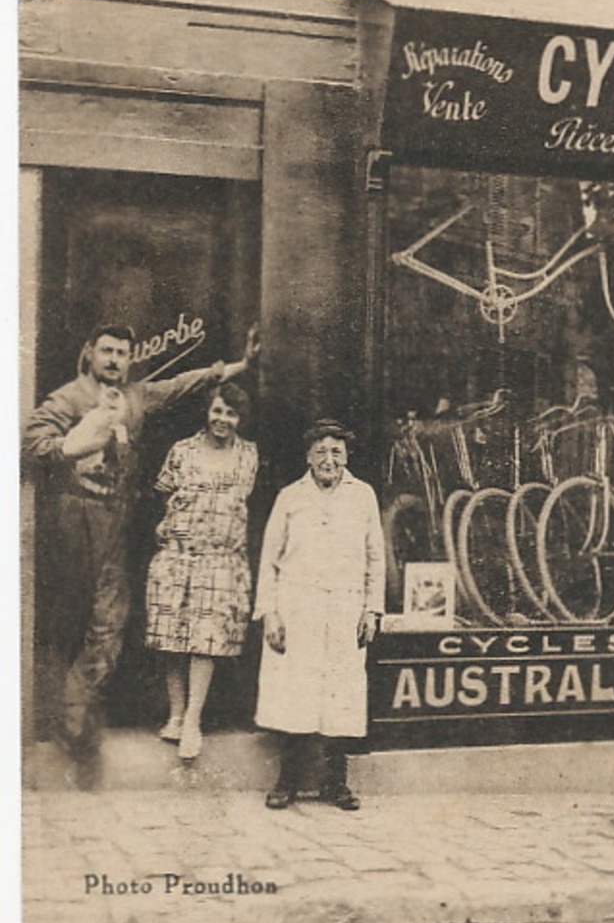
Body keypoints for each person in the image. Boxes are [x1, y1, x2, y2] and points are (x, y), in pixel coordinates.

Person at [23, 322, 259, 786]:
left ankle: (77, 721)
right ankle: (66, 724)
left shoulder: (136, 396)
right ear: (90, 352)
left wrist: (240, 366)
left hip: (117, 519)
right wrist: (68, 446)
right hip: (75, 517)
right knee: (70, 615)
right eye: (107, 351)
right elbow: (33, 442)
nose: (114, 360)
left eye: (122, 353)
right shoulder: (68, 398)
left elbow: (183, 383)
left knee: (110, 618)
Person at [255, 419, 385, 811]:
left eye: (337, 451)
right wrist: (270, 613)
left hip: (345, 608)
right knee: (294, 692)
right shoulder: (290, 497)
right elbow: (268, 561)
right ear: (308, 457)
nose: (329, 460)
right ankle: (287, 781)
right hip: (298, 608)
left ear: (346, 456)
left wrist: (372, 610)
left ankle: (336, 784)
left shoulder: (362, 496)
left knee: (341, 695)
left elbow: (375, 557)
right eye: (321, 452)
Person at [144, 383, 260, 762]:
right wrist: (179, 539)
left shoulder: (248, 456)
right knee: (171, 640)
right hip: (179, 556)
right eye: (217, 411)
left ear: (239, 418)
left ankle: (193, 720)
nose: (222, 419)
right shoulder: (183, 451)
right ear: (207, 411)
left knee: (204, 640)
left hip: (221, 561)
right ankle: (176, 714)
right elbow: (165, 497)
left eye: (231, 413)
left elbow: (240, 508)